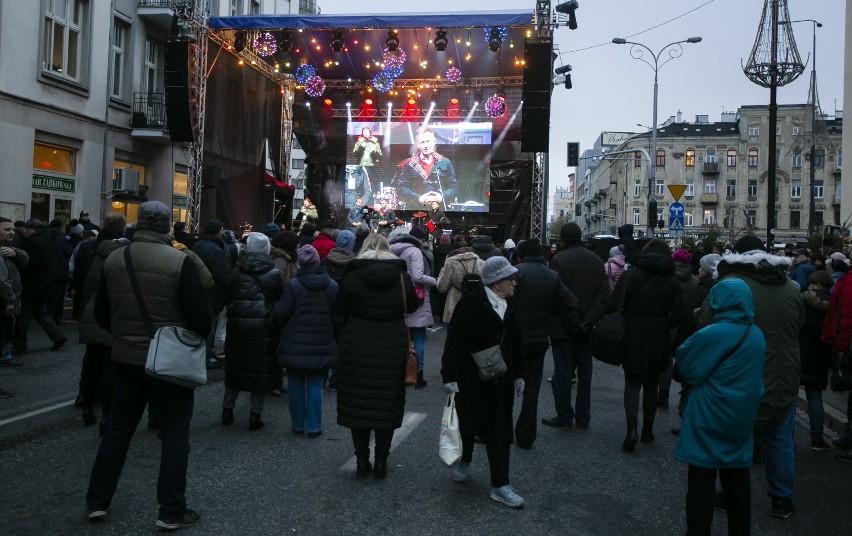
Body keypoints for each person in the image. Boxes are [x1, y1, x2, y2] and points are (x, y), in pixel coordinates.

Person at [85, 201, 212, 530]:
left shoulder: (115, 258)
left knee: (118, 429)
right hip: (169, 361)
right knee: (173, 434)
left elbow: (101, 312)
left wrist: (127, 335)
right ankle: (170, 509)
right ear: (168, 225)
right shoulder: (179, 260)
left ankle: (97, 501)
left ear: (137, 223)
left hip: (126, 357)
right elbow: (200, 318)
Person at [705, 234, 803, 518]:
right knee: (780, 439)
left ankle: (733, 495)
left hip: (743, 372)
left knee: (736, 436)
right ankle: (782, 499)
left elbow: (708, 324)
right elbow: (800, 324)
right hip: (785, 371)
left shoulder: (733, 286)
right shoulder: (790, 287)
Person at [675, 278, 766, 536]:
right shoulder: (755, 334)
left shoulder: (713, 333)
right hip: (741, 414)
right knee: (737, 479)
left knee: (701, 481)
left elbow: (689, 369)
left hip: (709, 412)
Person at [441, 256, 526, 508]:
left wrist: (520, 372)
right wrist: (451, 376)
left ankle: (500, 484)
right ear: (496, 281)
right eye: (509, 278)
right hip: (472, 377)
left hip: (502, 379)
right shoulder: (470, 304)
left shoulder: (511, 304)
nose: (514, 283)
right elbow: (454, 341)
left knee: (500, 430)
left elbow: (517, 342)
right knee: (468, 423)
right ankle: (465, 460)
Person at [335, 233, 417, 479]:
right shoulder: (401, 277)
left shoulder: (352, 275)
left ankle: (361, 459)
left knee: (358, 404)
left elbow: (340, 307)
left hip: (357, 342)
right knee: (387, 404)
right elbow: (411, 305)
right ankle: (381, 460)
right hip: (392, 343)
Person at [610, 238, 686, 451]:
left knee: (632, 383)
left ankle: (631, 429)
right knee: (651, 383)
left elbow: (613, 305)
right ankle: (647, 431)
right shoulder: (671, 281)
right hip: (658, 336)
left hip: (632, 334)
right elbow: (680, 314)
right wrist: (665, 325)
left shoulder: (630, 275)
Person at [543, 222, 610, 431]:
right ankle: (583, 415)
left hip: (563, 327)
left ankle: (564, 414)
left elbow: (557, 296)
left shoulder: (559, 260)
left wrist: (574, 322)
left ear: (562, 239)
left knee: (562, 373)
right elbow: (604, 295)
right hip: (587, 328)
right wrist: (588, 321)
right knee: (585, 372)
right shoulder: (596, 260)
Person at [512, 239, 578, 449]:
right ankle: (526, 435)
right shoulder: (551, 275)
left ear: (520, 255)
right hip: (539, 338)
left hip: (514, 338)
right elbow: (571, 303)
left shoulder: (515, 272)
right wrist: (549, 312)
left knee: (504, 386)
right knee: (532, 388)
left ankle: (499, 432)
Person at [222, 232, 283, 431]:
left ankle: (227, 408)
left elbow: (228, 294)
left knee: (235, 366)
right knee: (260, 369)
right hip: (263, 324)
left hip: (238, 322)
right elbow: (279, 297)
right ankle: (255, 414)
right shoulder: (273, 273)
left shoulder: (236, 271)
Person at [77, 213, 128, 432]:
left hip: (90, 309)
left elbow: (82, 282)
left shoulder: (88, 247)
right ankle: (107, 414)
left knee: (91, 361)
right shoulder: (122, 253)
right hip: (111, 311)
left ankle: (87, 406)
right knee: (109, 366)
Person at [389, 226, 436, 387]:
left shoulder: (391, 251)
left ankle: (401, 371)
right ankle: (417, 374)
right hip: (415, 298)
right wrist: (435, 281)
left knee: (403, 337)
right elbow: (417, 276)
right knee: (418, 337)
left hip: (396, 297)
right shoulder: (414, 251)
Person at [17, 218, 67, 352]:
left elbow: (30, 264)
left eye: (26, 229)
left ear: (32, 230)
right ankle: (58, 336)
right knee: (42, 313)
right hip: (43, 283)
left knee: (24, 316)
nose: (24, 231)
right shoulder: (46, 240)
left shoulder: (33, 242)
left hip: (32, 285)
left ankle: (19, 344)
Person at [659, 248, 699, 410]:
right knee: (687, 361)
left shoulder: (666, 279)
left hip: (669, 325)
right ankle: (684, 398)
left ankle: (663, 395)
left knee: (667, 361)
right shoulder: (696, 281)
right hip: (688, 327)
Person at [798, 270, 834, 452]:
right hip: (821, 353)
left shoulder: (803, 301)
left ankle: (785, 437)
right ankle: (817, 438)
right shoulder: (833, 304)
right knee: (815, 396)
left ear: (817, 285)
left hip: (799, 351)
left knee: (790, 396)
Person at [192, 219, 230, 370]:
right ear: (216, 231)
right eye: (221, 229)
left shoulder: (197, 245)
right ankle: (206, 359)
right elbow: (222, 275)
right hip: (213, 293)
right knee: (210, 325)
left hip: (199, 291)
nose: (223, 232)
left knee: (202, 325)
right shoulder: (215, 249)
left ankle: (202, 355)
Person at [397, 126, 457, 208]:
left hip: (440, 210)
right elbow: (402, 188)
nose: (426, 145)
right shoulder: (410, 164)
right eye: (422, 142)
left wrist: (442, 196)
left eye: (428, 141)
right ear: (418, 145)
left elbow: (453, 188)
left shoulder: (444, 162)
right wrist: (419, 198)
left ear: (434, 142)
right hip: (417, 209)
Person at [0, 217, 28, 373]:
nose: (12, 233)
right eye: (6, 229)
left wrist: (16, 253)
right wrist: (9, 300)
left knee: (8, 329)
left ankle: (6, 354)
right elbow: (2, 280)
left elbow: (25, 259)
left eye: (12, 229)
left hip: (11, 300)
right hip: (5, 302)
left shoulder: (9, 248)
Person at [435, 244, 483, 324]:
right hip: (477, 305)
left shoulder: (451, 262)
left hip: (455, 307)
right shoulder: (481, 263)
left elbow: (442, 287)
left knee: (453, 334)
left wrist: (443, 270)